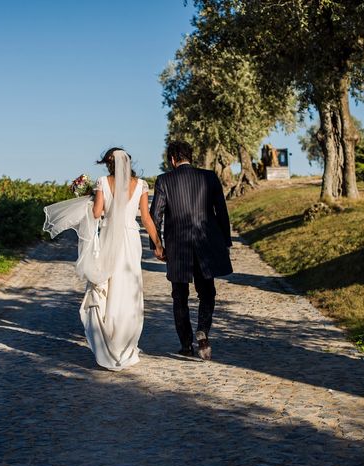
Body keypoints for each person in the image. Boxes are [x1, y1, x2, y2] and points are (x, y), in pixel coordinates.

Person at [43, 148, 163, 371]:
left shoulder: (103, 182)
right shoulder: (142, 185)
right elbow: (146, 218)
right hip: (131, 239)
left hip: (109, 238)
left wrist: (89, 199)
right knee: (129, 287)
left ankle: (108, 341)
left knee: (109, 285)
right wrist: (158, 243)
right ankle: (126, 345)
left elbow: (97, 213)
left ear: (109, 164)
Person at [149, 141, 233, 360]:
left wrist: (156, 245)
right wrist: (225, 241)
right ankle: (203, 329)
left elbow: (155, 216)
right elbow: (221, 212)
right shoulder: (209, 177)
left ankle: (186, 345)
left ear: (172, 159)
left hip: (178, 247)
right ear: (190, 157)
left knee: (180, 296)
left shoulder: (164, 181)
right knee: (207, 293)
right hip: (206, 243)